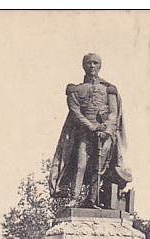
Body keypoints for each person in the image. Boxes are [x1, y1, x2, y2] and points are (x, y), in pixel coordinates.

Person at [49, 53, 131, 208]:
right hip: (85, 134)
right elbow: (76, 113)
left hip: (104, 134)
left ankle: (92, 199)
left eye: (95, 63)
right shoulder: (75, 90)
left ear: (100, 66)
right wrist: (92, 127)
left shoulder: (109, 90)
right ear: (83, 65)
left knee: (98, 167)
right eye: (89, 63)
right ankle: (73, 198)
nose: (92, 66)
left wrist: (106, 129)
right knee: (80, 165)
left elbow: (114, 113)